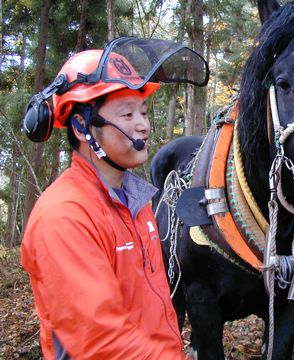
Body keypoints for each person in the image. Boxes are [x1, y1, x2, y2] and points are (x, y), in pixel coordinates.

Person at [20, 39, 207, 360]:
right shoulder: (64, 216)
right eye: (127, 113)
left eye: (144, 112)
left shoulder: (137, 203)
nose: (143, 125)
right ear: (82, 126)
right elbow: (99, 342)